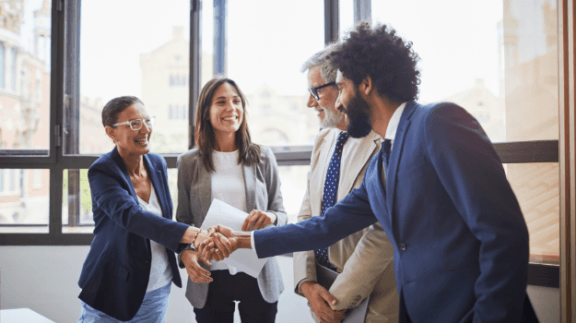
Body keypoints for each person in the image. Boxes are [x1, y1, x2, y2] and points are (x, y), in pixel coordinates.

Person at [204, 23, 538, 323]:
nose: (337, 104)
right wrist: (239, 241)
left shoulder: (438, 122)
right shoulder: (383, 163)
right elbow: (324, 226)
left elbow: (503, 235)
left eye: (343, 88)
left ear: (366, 85)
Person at [77, 96, 209, 322]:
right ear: (111, 133)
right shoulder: (102, 171)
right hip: (112, 287)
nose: (145, 129)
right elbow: (131, 216)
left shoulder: (156, 163)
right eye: (134, 123)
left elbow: (163, 220)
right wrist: (194, 234)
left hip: (156, 288)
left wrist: (184, 249)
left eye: (147, 121)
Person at [294, 45, 398, 323]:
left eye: (316, 91)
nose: (310, 103)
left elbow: (382, 235)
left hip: (370, 301)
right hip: (320, 293)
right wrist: (306, 282)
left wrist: (337, 301)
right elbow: (307, 215)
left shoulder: (383, 143)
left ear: (342, 86)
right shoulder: (322, 140)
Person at [176, 76, 287, 323]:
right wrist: (185, 253)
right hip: (210, 275)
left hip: (258, 274)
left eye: (237, 101)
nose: (231, 108)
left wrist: (270, 216)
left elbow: (281, 213)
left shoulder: (263, 157)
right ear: (206, 112)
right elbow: (182, 221)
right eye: (221, 102)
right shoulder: (188, 163)